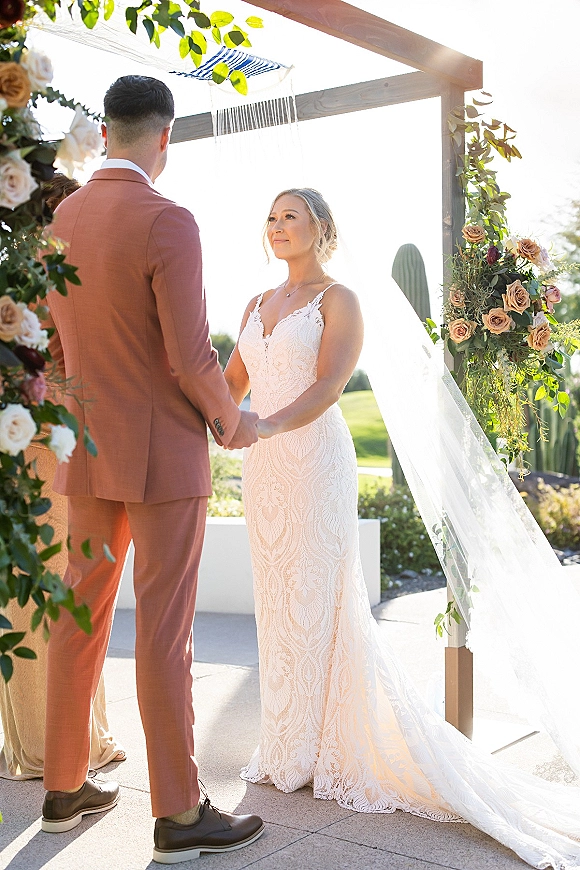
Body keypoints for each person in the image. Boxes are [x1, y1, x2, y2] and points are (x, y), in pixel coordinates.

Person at [224, 187, 580, 870]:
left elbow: (329, 385)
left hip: (313, 462)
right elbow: (230, 383)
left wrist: (262, 425)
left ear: (321, 227)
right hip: (263, 475)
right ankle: (288, 743)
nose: (276, 227)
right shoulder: (253, 305)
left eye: (289, 216)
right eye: (270, 217)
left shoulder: (340, 300)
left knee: (321, 601)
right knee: (277, 607)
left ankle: (327, 744)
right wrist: (203, 416)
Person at [41, 76, 264, 864]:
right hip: (166, 457)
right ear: (164, 137)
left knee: (79, 619)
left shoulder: (63, 216)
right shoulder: (169, 219)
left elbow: (56, 347)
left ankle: (62, 788)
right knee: (165, 636)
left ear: (106, 131)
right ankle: (177, 813)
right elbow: (189, 353)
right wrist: (233, 421)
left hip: (89, 451)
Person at [0, 173, 126, 781]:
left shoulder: (23, 279)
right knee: (53, 587)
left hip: (30, 445)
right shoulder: (61, 280)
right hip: (43, 444)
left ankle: (45, 742)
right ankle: (63, 745)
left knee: (40, 587)